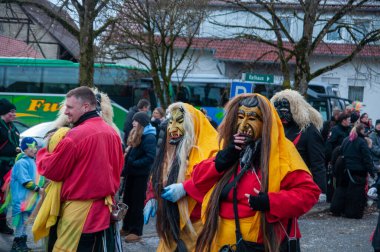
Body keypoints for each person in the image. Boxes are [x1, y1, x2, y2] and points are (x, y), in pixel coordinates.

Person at [168, 94, 320, 251]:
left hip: (261, 242)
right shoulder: (232, 148)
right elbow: (198, 179)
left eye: (252, 118)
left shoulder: (282, 153)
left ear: (266, 123)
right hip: (219, 242)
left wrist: (270, 202)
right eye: (240, 117)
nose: (243, 125)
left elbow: (309, 193)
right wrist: (223, 158)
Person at [36, 86, 124, 251]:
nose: (65, 111)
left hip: (78, 214)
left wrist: (43, 153)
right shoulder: (112, 134)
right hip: (103, 213)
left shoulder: (74, 136)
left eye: (69, 107)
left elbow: (53, 171)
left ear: (85, 107)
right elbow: (118, 169)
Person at [143, 102, 219, 251]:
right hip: (171, 230)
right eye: (170, 122)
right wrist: (151, 196)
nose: (172, 128)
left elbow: (215, 185)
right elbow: (159, 173)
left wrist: (186, 188)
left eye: (179, 122)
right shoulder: (172, 150)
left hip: (198, 230)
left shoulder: (212, 152)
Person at [271, 89, 326, 201]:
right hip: (274, 183)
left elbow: (318, 163)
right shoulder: (274, 129)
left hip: (296, 185)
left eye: (286, 111)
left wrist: (320, 190)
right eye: (279, 111)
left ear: (295, 109)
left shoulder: (309, 130)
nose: (282, 115)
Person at [121, 112, 156, 243]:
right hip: (132, 173)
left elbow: (150, 157)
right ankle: (126, 227)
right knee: (127, 201)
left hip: (140, 175)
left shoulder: (149, 137)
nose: (133, 123)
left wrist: (133, 163)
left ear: (141, 122)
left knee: (136, 203)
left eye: (135, 121)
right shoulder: (137, 133)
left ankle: (136, 231)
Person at [330, 123, 374, 219]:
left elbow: (340, 152)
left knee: (341, 190)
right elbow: (367, 159)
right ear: (361, 131)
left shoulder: (346, 140)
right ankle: (352, 213)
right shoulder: (362, 142)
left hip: (345, 170)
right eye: (364, 130)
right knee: (355, 195)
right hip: (357, 172)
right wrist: (372, 172)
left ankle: (337, 210)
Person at [9, 137, 44, 251]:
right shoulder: (22, 163)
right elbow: (25, 181)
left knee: (25, 223)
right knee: (21, 223)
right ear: (24, 149)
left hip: (29, 200)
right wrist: (39, 189)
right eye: (29, 147)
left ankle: (21, 243)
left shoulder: (32, 161)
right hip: (22, 199)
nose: (33, 149)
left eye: (34, 146)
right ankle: (17, 244)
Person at [0, 98, 20, 235]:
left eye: (14, 111)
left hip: (10, 167)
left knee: (5, 196)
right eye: (11, 111)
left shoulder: (13, 128)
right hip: (0, 166)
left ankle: (1, 223)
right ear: (3, 112)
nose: (14, 114)